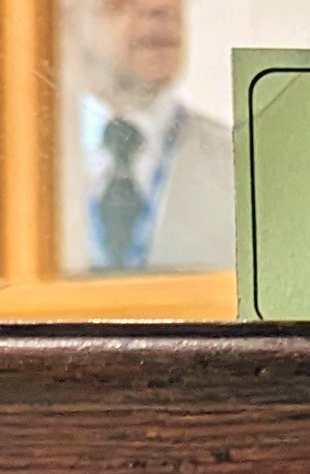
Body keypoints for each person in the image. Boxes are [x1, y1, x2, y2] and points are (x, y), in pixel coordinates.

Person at [66, 0, 236, 272]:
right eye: (119, 4)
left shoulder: (241, 167)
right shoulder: (11, 174)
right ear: (65, 22)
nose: (159, 6)